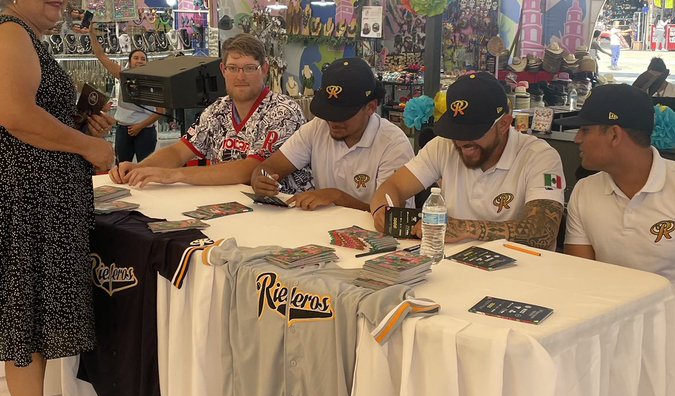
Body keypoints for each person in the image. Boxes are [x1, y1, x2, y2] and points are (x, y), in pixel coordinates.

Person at [0, 0, 115, 396]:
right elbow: (17, 116)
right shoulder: (11, 34)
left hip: (41, 198)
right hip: (27, 202)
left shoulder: (27, 38)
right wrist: (88, 145)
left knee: (36, 314)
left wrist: (78, 126)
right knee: (24, 317)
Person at [370, 71, 565, 250]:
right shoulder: (443, 145)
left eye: (473, 132)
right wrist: (382, 212)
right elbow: (393, 186)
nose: (462, 141)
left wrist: (467, 228)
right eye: (456, 131)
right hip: (453, 269)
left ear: (504, 124)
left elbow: (543, 232)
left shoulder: (540, 157)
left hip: (521, 276)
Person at [112, 33, 310, 190]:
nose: (240, 76)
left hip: (281, 214)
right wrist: (140, 168)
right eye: (233, 68)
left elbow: (250, 169)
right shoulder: (218, 109)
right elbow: (179, 151)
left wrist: (174, 174)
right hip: (231, 209)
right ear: (223, 70)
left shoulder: (283, 111)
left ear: (264, 70)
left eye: (249, 68)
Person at [250, 57, 412, 209]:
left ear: (370, 107)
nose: (333, 121)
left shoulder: (393, 144)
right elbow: (270, 166)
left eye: (344, 114)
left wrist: (337, 198)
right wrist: (261, 178)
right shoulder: (317, 127)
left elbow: (390, 216)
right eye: (328, 113)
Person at [564, 84, 675, 287]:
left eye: (585, 130)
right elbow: (580, 279)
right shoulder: (584, 190)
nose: (577, 139)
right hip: (607, 314)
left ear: (614, 135)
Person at [89, 23, 162, 162]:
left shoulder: (155, 81)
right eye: (136, 58)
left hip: (145, 131)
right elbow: (100, 55)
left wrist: (139, 127)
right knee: (122, 167)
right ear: (129, 61)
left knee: (145, 169)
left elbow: (161, 111)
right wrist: (91, 33)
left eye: (143, 59)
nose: (139, 61)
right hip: (123, 129)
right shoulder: (123, 75)